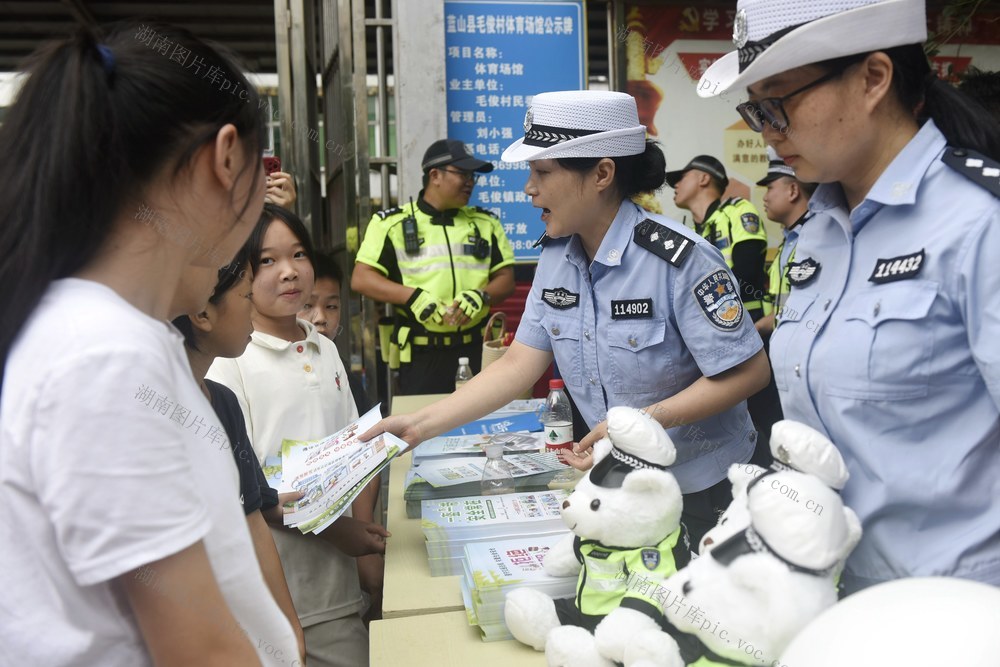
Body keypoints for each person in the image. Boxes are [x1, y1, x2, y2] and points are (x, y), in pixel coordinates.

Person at [0, 20, 300, 666]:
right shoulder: (103, 354)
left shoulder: (120, 335)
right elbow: (202, 652)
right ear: (226, 157)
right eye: (262, 165)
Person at [362, 91, 771, 544]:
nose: (529, 189)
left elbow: (749, 371)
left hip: (699, 487)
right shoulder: (558, 256)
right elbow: (521, 362)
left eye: (542, 172)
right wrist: (420, 425)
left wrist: (643, 420)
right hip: (612, 480)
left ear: (601, 173)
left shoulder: (680, 260)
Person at [698, 0, 1000, 595]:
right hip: (826, 596)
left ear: (873, 78)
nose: (768, 130)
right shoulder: (818, 230)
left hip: (953, 609)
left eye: (780, 101)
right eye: (756, 109)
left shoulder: (977, 224)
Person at [208, 204, 388, 667]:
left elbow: (360, 448)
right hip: (281, 593)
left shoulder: (323, 347)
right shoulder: (230, 363)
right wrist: (340, 530)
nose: (289, 272)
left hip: (339, 586)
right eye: (267, 261)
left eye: (299, 255)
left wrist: (361, 538)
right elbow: (248, 493)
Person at [171, 253, 305, 664]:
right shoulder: (156, 415)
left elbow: (253, 522)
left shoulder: (224, 404)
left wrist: (290, 631)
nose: (255, 307)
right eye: (247, 295)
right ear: (202, 314)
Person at [351, 139, 516, 394]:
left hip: (476, 348)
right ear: (435, 175)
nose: (470, 181)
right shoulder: (390, 224)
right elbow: (361, 279)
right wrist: (413, 297)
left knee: (482, 429)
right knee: (423, 429)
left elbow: (506, 278)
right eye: (462, 173)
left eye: (472, 175)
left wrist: (481, 296)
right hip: (421, 354)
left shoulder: (485, 223)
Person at [300, 251, 384, 624]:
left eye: (331, 306)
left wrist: (365, 547)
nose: (320, 317)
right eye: (308, 305)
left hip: (347, 545)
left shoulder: (336, 363)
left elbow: (364, 455)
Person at [666, 155, 768, 321]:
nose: (676, 185)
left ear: (704, 178)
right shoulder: (688, 233)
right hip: (706, 323)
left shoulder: (737, 210)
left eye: (681, 178)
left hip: (749, 318)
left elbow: (747, 270)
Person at [756, 147, 816, 337]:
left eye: (770, 188)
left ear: (792, 191)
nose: (765, 197)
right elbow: (784, 309)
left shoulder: (818, 239)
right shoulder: (789, 243)